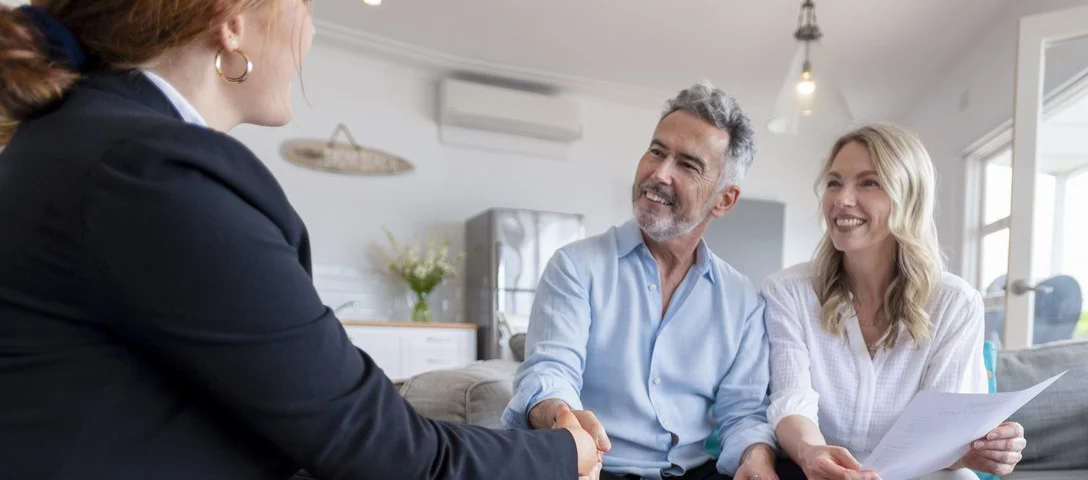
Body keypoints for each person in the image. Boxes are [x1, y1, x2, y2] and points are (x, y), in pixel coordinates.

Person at [0, 2, 600, 479]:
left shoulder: (84, 140)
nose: (308, 32)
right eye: (305, 5)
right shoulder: (151, 171)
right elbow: (387, 453)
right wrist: (561, 455)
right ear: (232, 26)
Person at [501, 82, 782, 480]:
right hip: (596, 467)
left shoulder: (742, 301)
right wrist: (561, 416)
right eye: (656, 151)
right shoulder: (575, 267)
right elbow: (551, 371)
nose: (659, 173)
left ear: (724, 200)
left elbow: (743, 412)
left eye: (688, 165)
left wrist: (757, 456)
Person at [762, 123, 1028, 480]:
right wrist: (812, 453)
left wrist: (979, 450)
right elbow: (791, 399)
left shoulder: (955, 303)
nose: (841, 198)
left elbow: (942, 435)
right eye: (834, 182)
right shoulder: (788, 290)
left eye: (868, 182)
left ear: (909, 197)